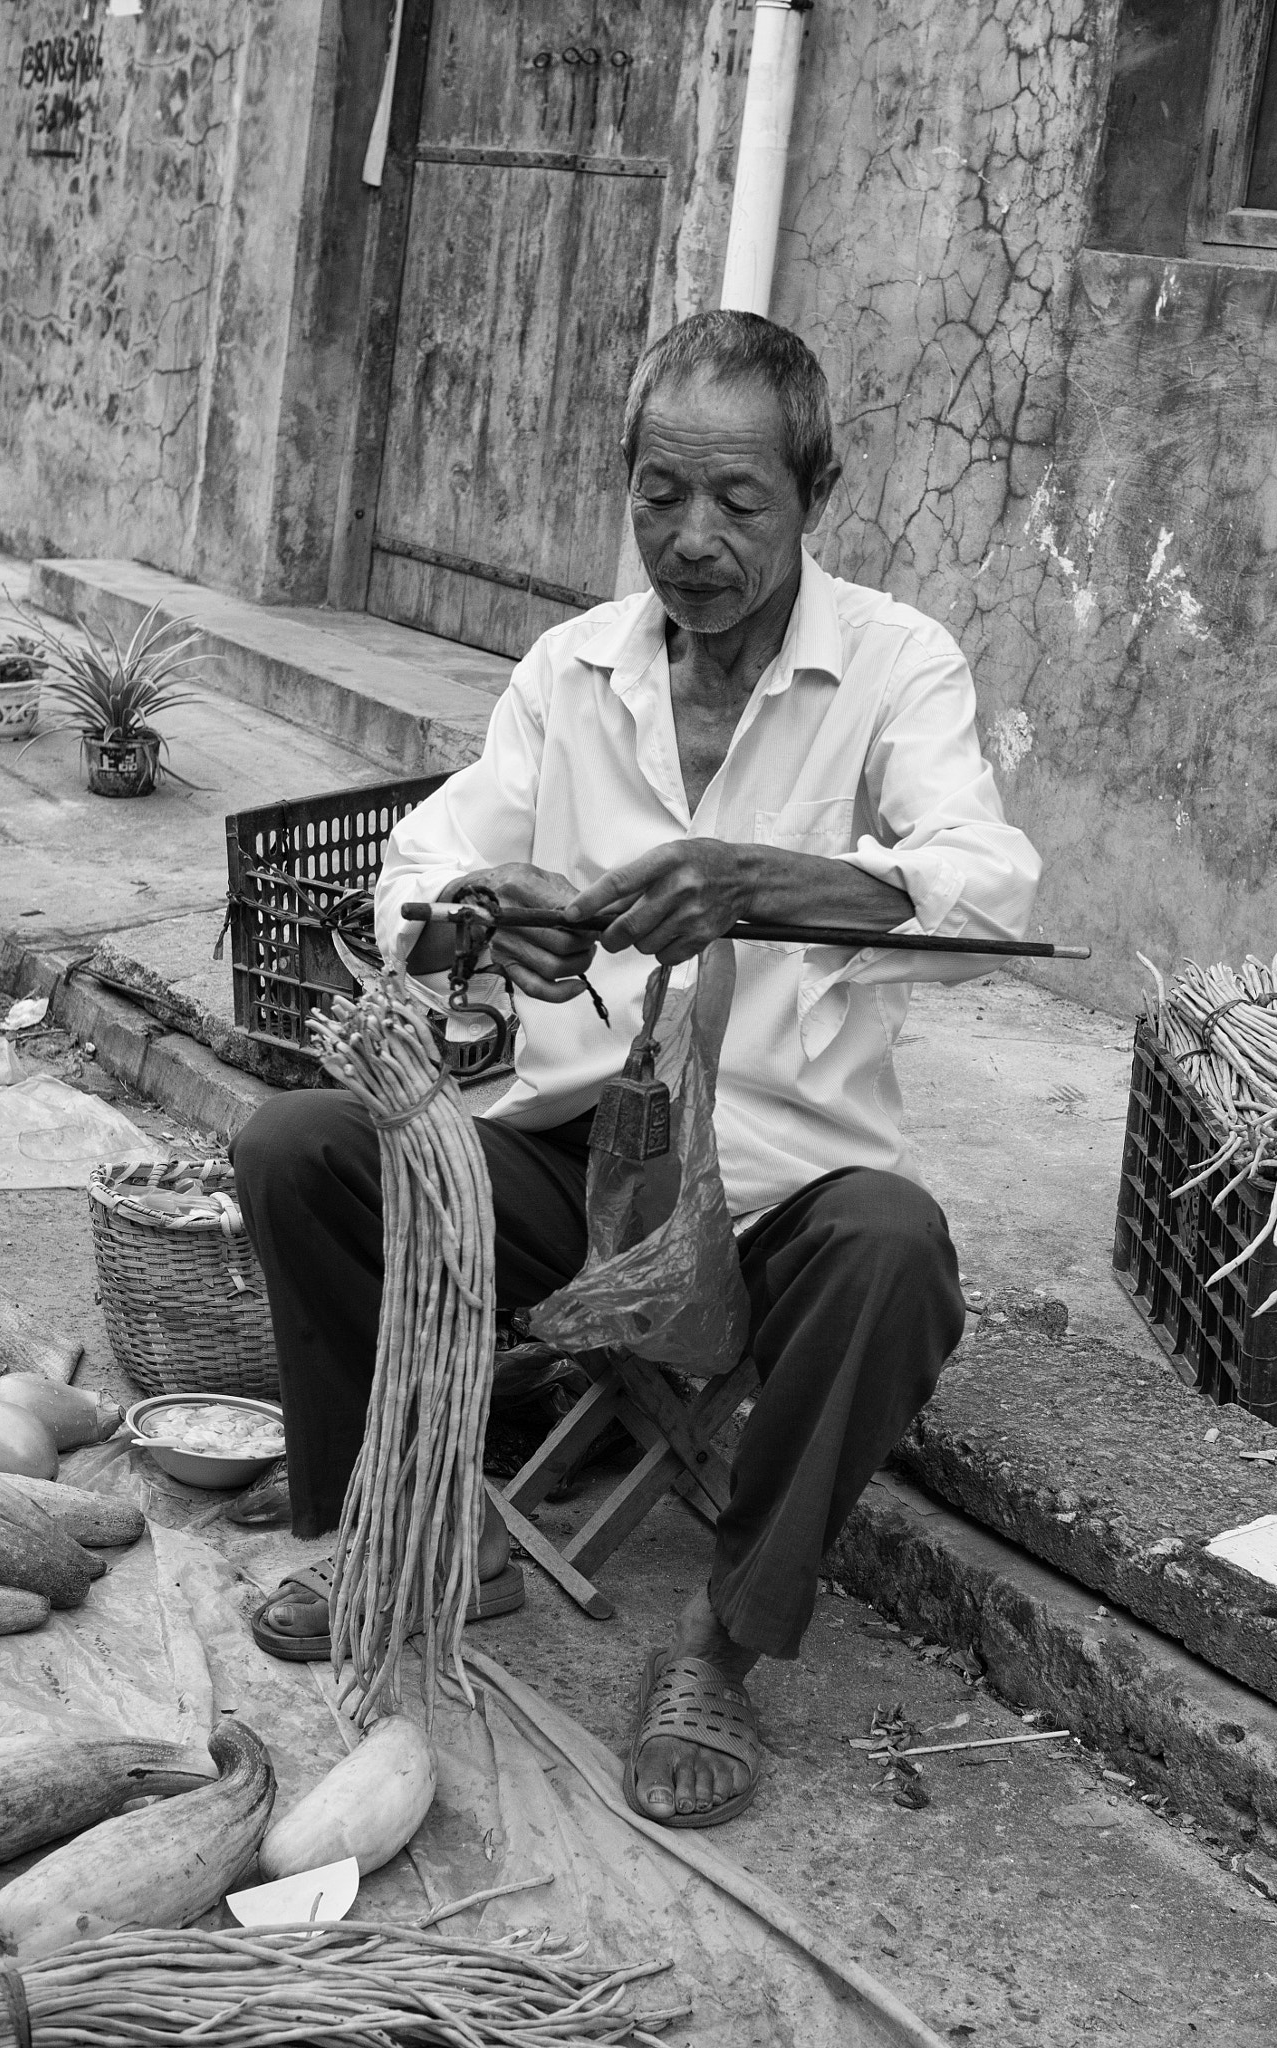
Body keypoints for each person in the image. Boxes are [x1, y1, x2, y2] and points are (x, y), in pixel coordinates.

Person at [232, 309, 1040, 1829]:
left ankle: (723, 1644)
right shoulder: (572, 668)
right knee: (300, 1147)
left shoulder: (893, 665)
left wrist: (772, 880)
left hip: (777, 1194)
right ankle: (415, 1534)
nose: (694, 536)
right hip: (571, 1163)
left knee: (900, 1252)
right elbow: (420, 875)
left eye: (740, 499)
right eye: (661, 493)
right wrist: (483, 926)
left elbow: (988, 886)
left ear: (819, 494)